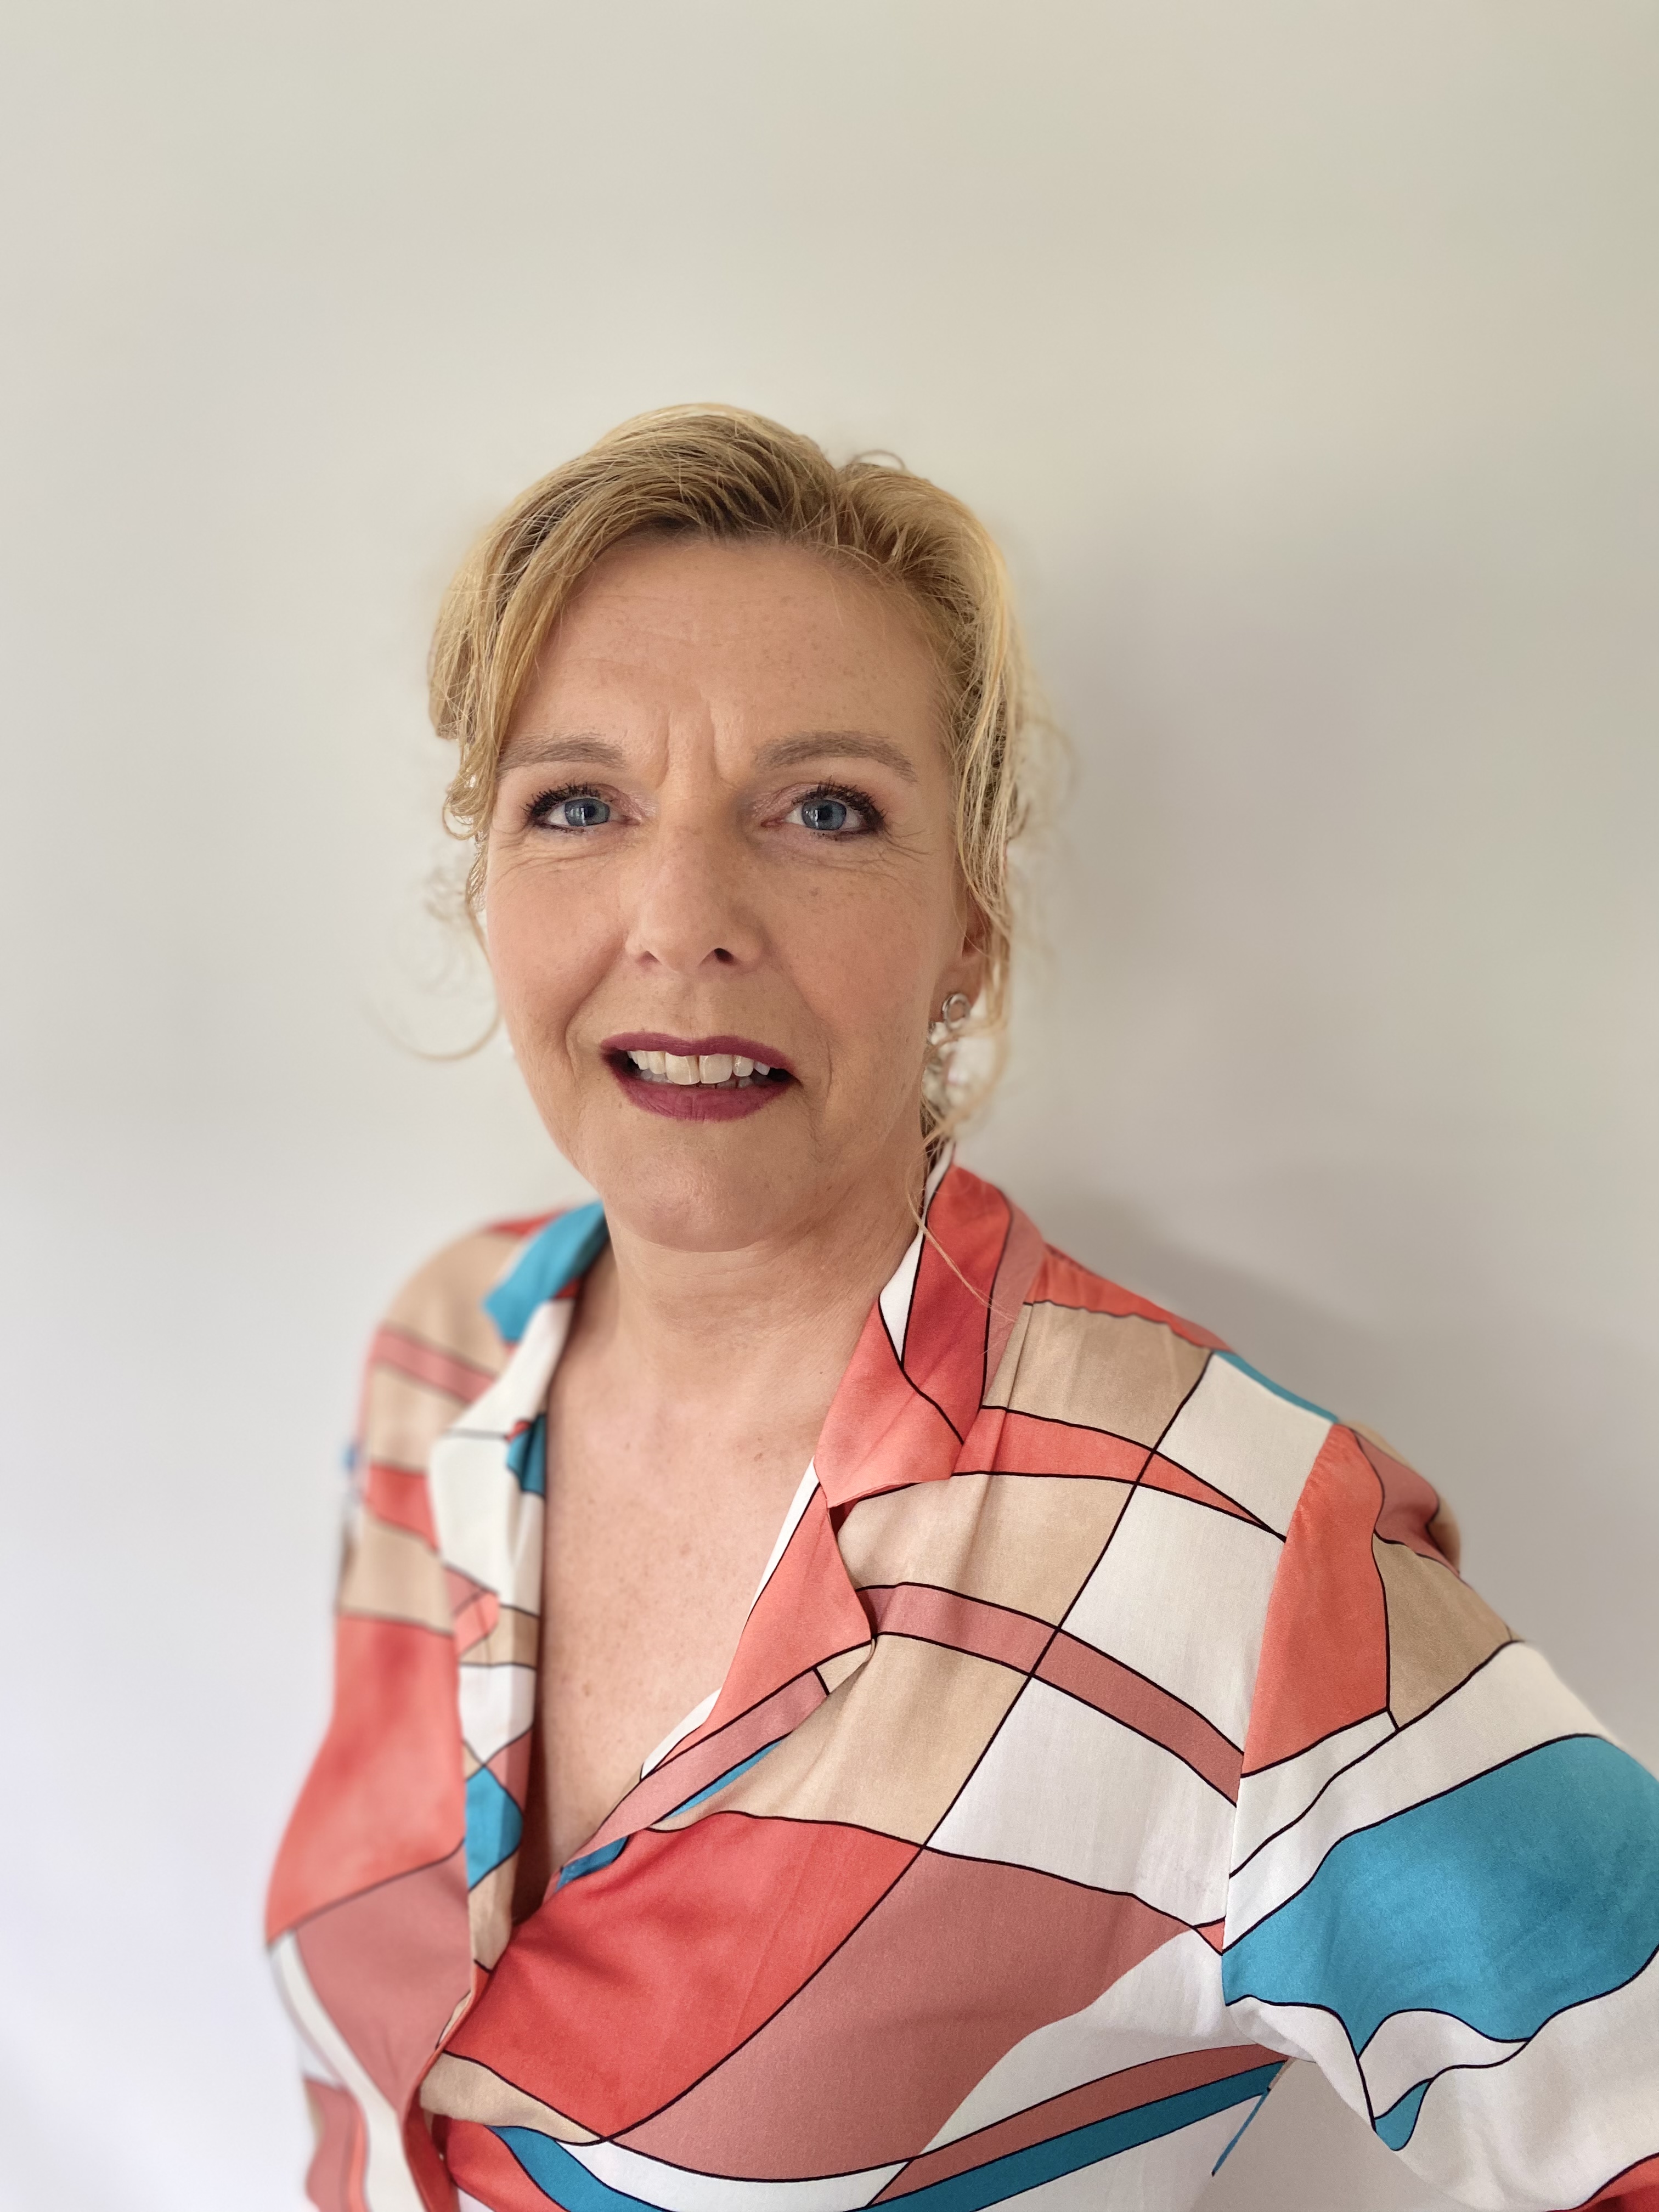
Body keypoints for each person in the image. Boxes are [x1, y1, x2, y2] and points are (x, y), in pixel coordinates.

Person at [268, 407, 1658, 2212]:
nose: (682, 918)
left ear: (969, 925)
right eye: (580, 805)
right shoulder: (439, 1355)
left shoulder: (1222, 1552)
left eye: (825, 811)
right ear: (490, 883)